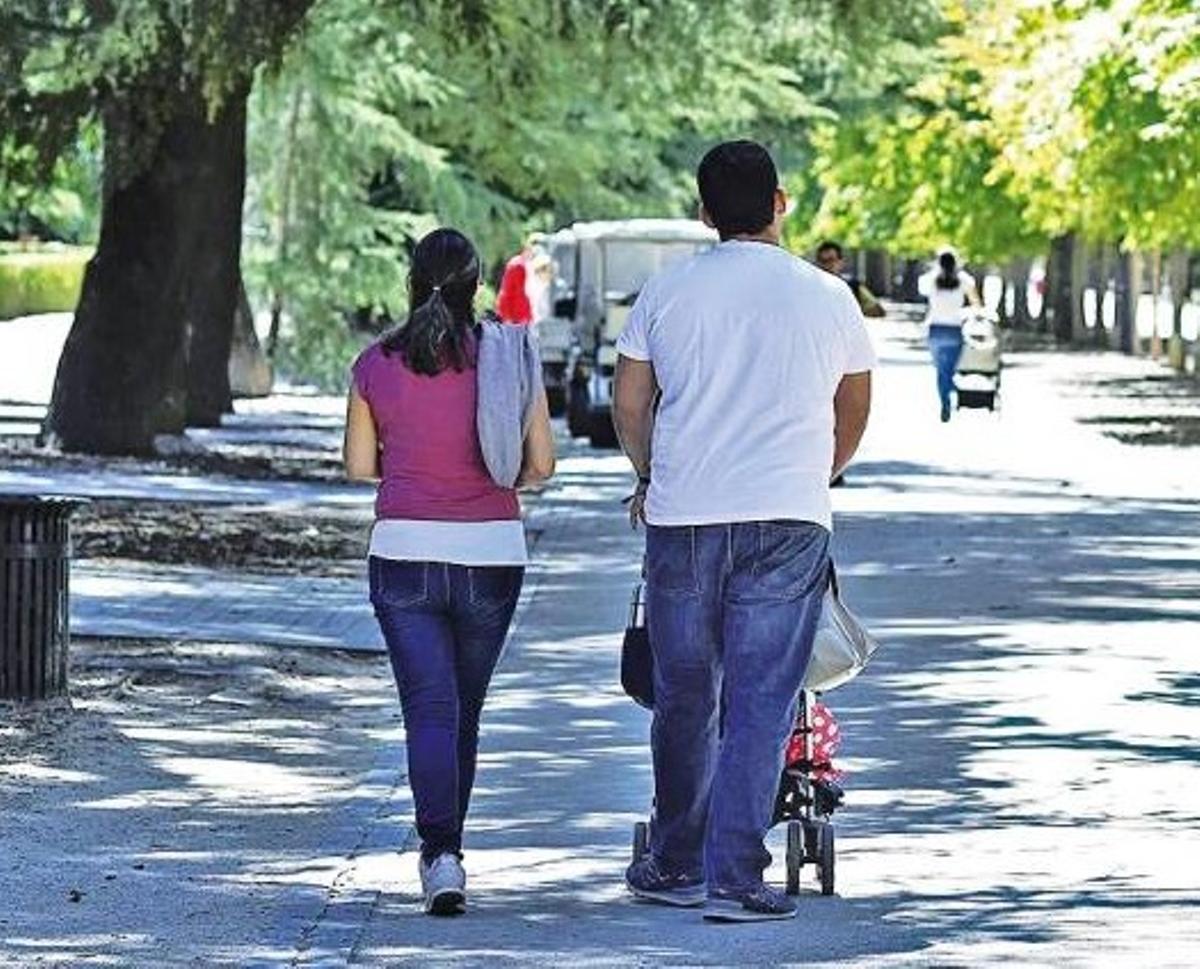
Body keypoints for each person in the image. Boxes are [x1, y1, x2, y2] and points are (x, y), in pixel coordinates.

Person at [612, 141, 874, 923]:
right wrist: (818, 473)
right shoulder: (829, 295)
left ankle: (675, 860)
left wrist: (649, 473)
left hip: (684, 517)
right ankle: (736, 878)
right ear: (781, 203)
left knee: (686, 695)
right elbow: (853, 406)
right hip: (790, 518)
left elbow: (630, 401)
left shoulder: (665, 292)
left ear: (704, 214)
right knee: (762, 699)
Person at [342, 227, 555, 916]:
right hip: (491, 554)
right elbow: (541, 467)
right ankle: (447, 850)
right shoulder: (509, 357)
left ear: (412, 281)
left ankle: (441, 855)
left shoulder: (375, 364)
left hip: (403, 551)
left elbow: (357, 465)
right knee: (463, 710)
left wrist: (412, 464)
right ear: (477, 285)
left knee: (429, 709)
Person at [918, 248, 981, 422]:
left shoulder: (930, 280)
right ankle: (952, 392)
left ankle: (946, 402)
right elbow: (976, 302)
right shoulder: (963, 280)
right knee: (949, 370)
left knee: (941, 371)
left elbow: (922, 288)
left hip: (935, 330)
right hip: (954, 330)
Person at [814, 240, 887, 318]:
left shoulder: (852, 285)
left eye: (831, 260)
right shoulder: (811, 287)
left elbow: (879, 311)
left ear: (840, 262)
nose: (826, 265)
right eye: (823, 261)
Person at [495, 235, 540, 325]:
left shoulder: (533, 266)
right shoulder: (517, 265)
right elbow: (507, 292)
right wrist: (507, 318)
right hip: (517, 318)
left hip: (527, 318)